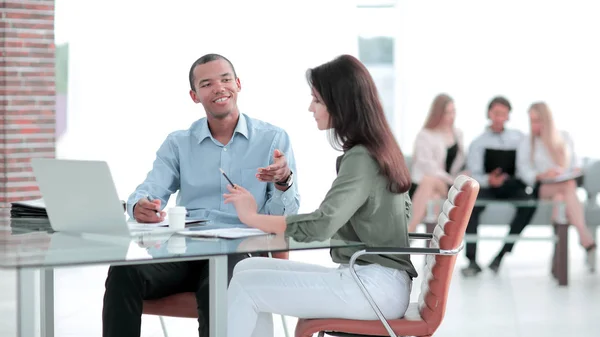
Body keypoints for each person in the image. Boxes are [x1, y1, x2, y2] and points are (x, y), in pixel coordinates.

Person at [101, 53, 300, 337]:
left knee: (216, 286)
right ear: (195, 95)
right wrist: (138, 206)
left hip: (241, 251)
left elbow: (284, 219)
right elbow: (149, 188)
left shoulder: (273, 139)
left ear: (238, 84)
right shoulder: (178, 143)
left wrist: (283, 182)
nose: (219, 87)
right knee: (123, 273)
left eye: (225, 79)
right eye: (207, 83)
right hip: (187, 251)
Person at [222, 54, 417, 337]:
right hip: (374, 278)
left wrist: (252, 217)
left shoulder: (362, 157)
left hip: (375, 287)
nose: (310, 107)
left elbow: (323, 224)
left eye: (317, 100)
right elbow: (403, 213)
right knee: (246, 268)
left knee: (245, 287)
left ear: (340, 104)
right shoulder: (382, 149)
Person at [462, 96, 537, 276]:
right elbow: (474, 173)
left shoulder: (519, 138)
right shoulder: (478, 142)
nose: (499, 117)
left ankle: (501, 255)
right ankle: (472, 260)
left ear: (508, 116)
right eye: (496, 113)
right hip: (487, 186)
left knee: (529, 203)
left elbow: (525, 166)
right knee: (471, 206)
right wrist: (489, 179)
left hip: (511, 186)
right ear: (489, 114)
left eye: (503, 114)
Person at [517, 101, 596, 272]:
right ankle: (584, 236)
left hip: (563, 186)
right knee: (568, 187)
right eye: (531, 121)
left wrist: (573, 169)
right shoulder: (527, 142)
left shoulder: (564, 137)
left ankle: (557, 262)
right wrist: (542, 175)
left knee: (562, 197)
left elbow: (576, 162)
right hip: (542, 187)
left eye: (538, 120)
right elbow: (523, 171)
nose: (534, 125)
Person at [407, 94, 466, 232]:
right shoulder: (425, 134)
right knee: (432, 192)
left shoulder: (458, 134)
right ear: (438, 113)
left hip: (447, 184)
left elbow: (460, 162)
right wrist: (450, 178)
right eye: (447, 112)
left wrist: (458, 176)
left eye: (453, 112)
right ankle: (427, 244)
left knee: (431, 185)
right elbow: (428, 167)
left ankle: (409, 232)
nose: (451, 116)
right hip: (423, 185)